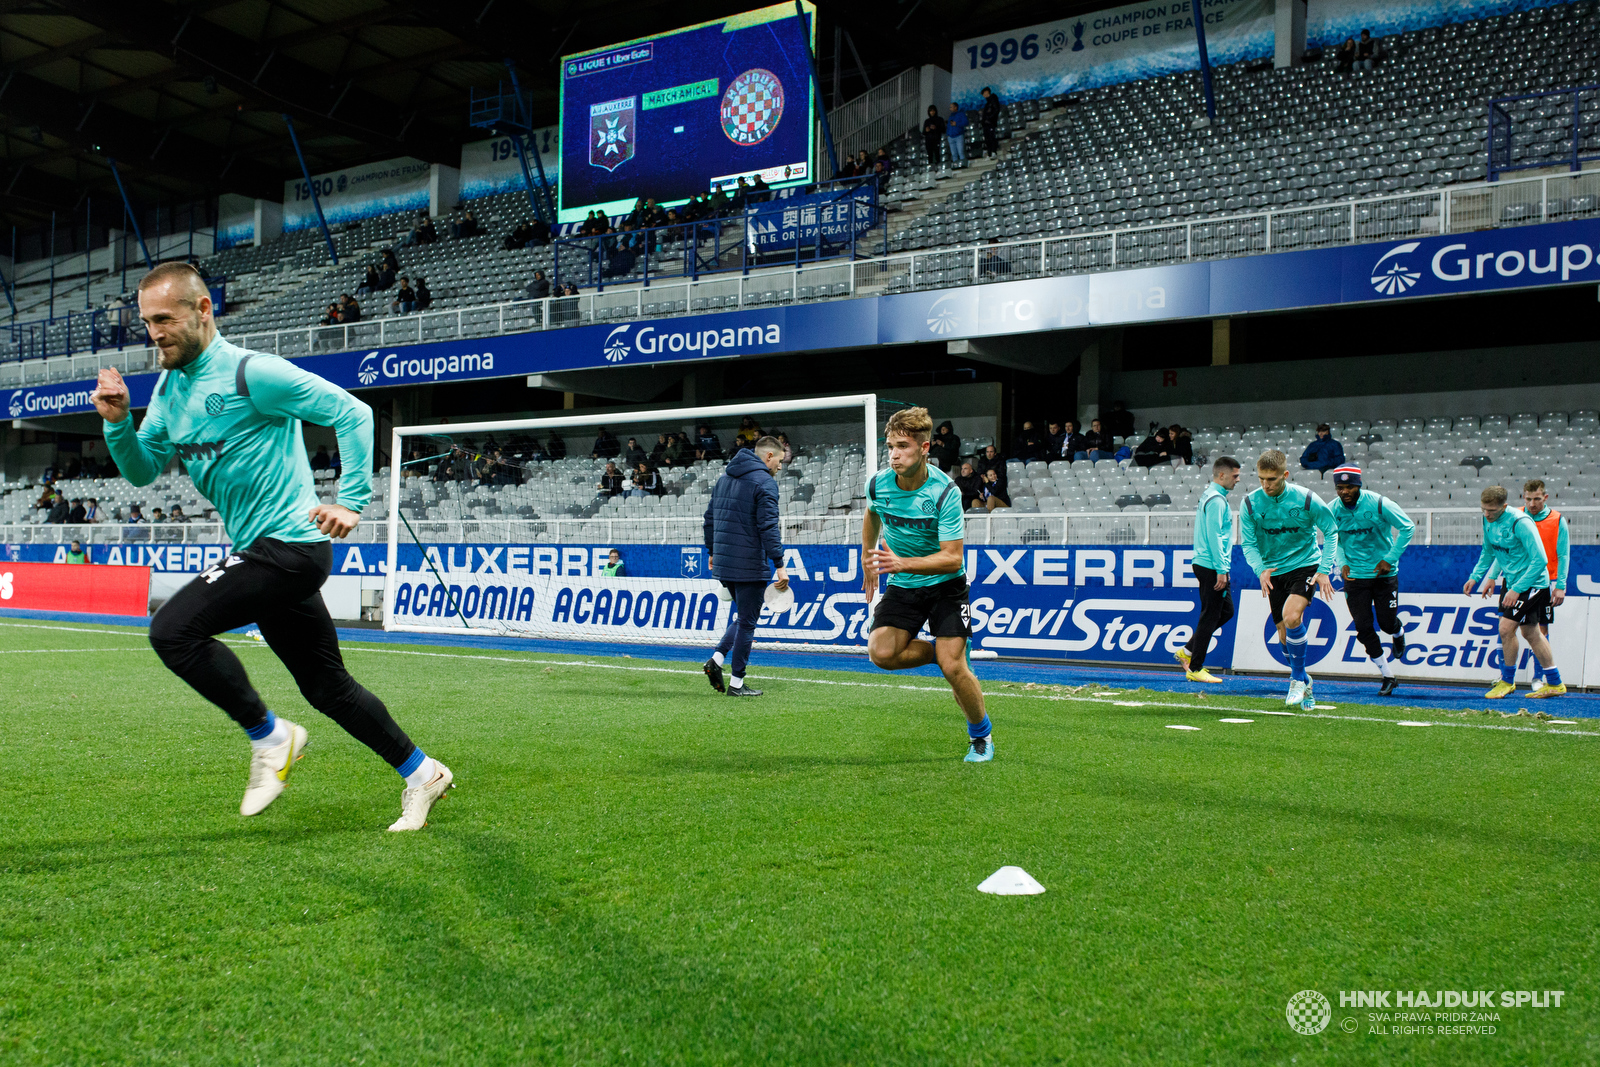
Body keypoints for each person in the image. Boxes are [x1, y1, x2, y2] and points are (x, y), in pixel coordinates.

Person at [89, 261, 451, 830]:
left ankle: (271, 737)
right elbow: (142, 470)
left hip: (289, 547)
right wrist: (116, 423)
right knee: (327, 687)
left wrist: (351, 500)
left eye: (164, 319)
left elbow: (351, 412)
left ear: (203, 310)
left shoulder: (251, 373)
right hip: (266, 554)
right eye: (146, 322)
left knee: (172, 630)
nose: (154, 333)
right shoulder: (167, 387)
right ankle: (423, 772)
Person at [861, 407, 992, 762]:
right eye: (890, 446)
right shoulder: (878, 483)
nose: (893, 454)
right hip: (904, 584)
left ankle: (980, 734)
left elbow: (953, 558)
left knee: (955, 670)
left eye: (902, 446)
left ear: (924, 447)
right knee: (881, 653)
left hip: (946, 585)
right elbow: (871, 513)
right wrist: (867, 559)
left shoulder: (944, 491)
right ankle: (943, 653)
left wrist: (903, 562)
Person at [1239, 449, 1339, 712]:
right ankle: (1305, 680)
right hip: (1273, 571)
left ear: (1285, 475)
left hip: (1304, 564)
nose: (1265, 485)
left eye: (1271, 479)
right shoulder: (1250, 503)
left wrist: (1324, 569)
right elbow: (1247, 543)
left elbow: (1331, 531)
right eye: (1261, 479)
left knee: (1293, 616)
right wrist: (1260, 569)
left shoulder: (1306, 499)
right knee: (1283, 636)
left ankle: (1296, 680)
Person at [702, 436, 788, 697]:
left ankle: (716, 660)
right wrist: (779, 564)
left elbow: (709, 519)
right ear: (769, 456)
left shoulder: (723, 479)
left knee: (742, 617)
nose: (781, 467)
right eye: (781, 461)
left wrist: (712, 551)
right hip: (750, 563)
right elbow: (768, 527)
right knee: (748, 622)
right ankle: (737, 684)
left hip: (725, 562)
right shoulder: (765, 482)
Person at [1464, 485, 1564, 699]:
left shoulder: (1521, 522)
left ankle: (1507, 681)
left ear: (1504, 506)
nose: (1487, 514)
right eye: (1484, 509)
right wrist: (1477, 576)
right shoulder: (1488, 519)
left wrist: (1517, 590)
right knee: (1530, 632)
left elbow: (1541, 561)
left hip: (1532, 582)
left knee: (1506, 628)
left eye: (1492, 510)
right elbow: (1489, 550)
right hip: (1512, 581)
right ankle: (1555, 683)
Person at [1328, 465, 1414, 696]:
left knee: (1386, 624)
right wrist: (1342, 561)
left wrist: (1390, 558)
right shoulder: (1332, 510)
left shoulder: (1379, 503)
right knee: (1363, 627)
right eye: (1340, 487)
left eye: (1349, 487)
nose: (1344, 491)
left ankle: (1398, 632)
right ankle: (1387, 675)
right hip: (1355, 576)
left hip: (1383, 575)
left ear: (1359, 485)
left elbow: (1407, 527)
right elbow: (1332, 537)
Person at [1176, 456, 1240, 683]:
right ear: (1221, 475)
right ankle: (1195, 667)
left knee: (1226, 611)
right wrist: (1221, 569)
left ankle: (1188, 651)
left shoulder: (1211, 496)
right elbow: (1215, 537)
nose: (1237, 480)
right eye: (1234, 476)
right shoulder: (1217, 501)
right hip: (1211, 565)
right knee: (1210, 615)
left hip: (1208, 563)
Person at [1519, 479, 1570, 693]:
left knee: (1540, 628)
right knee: (1507, 626)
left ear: (1545, 497)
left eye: (1537, 499)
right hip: (1518, 579)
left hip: (1544, 582)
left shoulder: (1557, 520)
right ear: (1524, 497)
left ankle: (1539, 677)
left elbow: (1563, 554)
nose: (1532, 504)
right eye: (1529, 499)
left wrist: (1560, 584)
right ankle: (1506, 677)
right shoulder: (1516, 516)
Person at [979, 86, 1001, 157]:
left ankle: (993, 152)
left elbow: (996, 110)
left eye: (984, 93)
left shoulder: (993, 99)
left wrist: (989, 118)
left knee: (991, 137)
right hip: (986, 123)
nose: (984, 95)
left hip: (990, 122)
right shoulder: (988, 103)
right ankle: (990, 154)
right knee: (987, 139)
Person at [946, 102, 968, 167]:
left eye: (951, 107)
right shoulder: (951, 116)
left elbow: (966, 122)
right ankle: (956, 166)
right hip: (951, 137)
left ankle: (963, 165)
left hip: (958, 136)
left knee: (960, 152)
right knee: (954, 154)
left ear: (955, 107)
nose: (950, 109)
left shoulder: (961, 114)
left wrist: (957, 124)